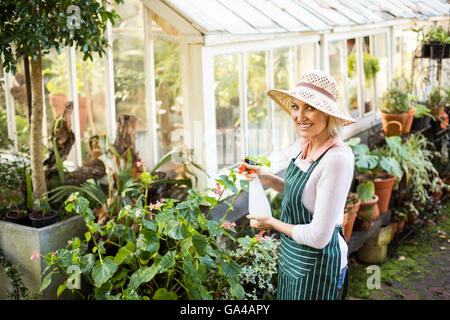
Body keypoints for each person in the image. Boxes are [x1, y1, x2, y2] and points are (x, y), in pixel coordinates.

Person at [241, 70, 356, 300]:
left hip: (320, 267)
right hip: (294, 260)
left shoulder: (336, 159)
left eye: (310, 108)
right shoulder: (308, 143)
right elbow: (307, 194)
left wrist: (271, 223)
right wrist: (266, 177)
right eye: (295, 107)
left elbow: (318, 237)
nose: (299, 116)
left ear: (328, 113)